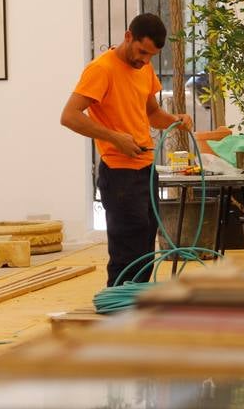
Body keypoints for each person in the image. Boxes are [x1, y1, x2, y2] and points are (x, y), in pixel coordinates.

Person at [60, 14, 191, 286]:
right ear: (128, 36)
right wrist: (114, 138)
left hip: (146, 169)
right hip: (119, 175)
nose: (144, 60)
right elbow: (70, 116)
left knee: (145, 248)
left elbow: (152, 113)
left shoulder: (144, 68)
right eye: (142, 52)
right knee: (126, 251)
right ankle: (118, 307)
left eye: (151, 56)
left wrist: (175, 120)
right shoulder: (101, 69)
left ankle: (137, 309)